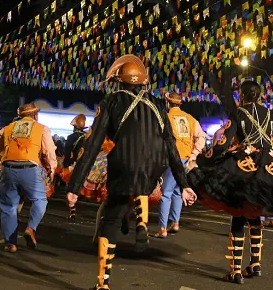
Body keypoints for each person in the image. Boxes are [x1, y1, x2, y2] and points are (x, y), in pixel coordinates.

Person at [66, 55, 197, 290]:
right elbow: (170, 145)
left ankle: (102, 284)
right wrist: (184, 183)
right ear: (144, 83)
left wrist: (75, 186)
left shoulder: (112, 101)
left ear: (119, 81)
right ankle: (142, 221)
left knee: (111, 219)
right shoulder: (157, 104)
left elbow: (93, 144)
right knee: (140, 185)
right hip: (153, 167)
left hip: (124, 164)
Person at [188, 72, 273, 284]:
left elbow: (222, 144)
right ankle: (255, 264)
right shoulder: (270, 114)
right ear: (258, 96)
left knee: (239, 213)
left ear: (242, 95)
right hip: (270, 166)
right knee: (256, 211)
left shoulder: (238, 113)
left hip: (244, 166)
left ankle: (236, 271)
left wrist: (204, 160)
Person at [0, 103, 57, 252]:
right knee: (40, 200)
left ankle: (10, 244)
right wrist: (52, 170)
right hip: (30, 169)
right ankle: (31, 228)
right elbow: (49, 152)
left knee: (8, 207)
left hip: (7, 169)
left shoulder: (7, 129)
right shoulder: (41, 128)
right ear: (35, 115)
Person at [153, 92, 206, 238]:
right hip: (186, 160)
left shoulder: (166, 118)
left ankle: (162, 228)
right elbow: (201, 136)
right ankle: (175, 222)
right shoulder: (190, 118)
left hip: (172, 159)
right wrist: (194, 154)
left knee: (166, 193)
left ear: (167, 103)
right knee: (178, 191)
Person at [63, 114, 88, 220]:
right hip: (85, 165)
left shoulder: (71, 138)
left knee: (71, 187)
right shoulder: (88, 137)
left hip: (73, 165)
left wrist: (66, 165)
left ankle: (72, 210)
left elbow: (67, 153)